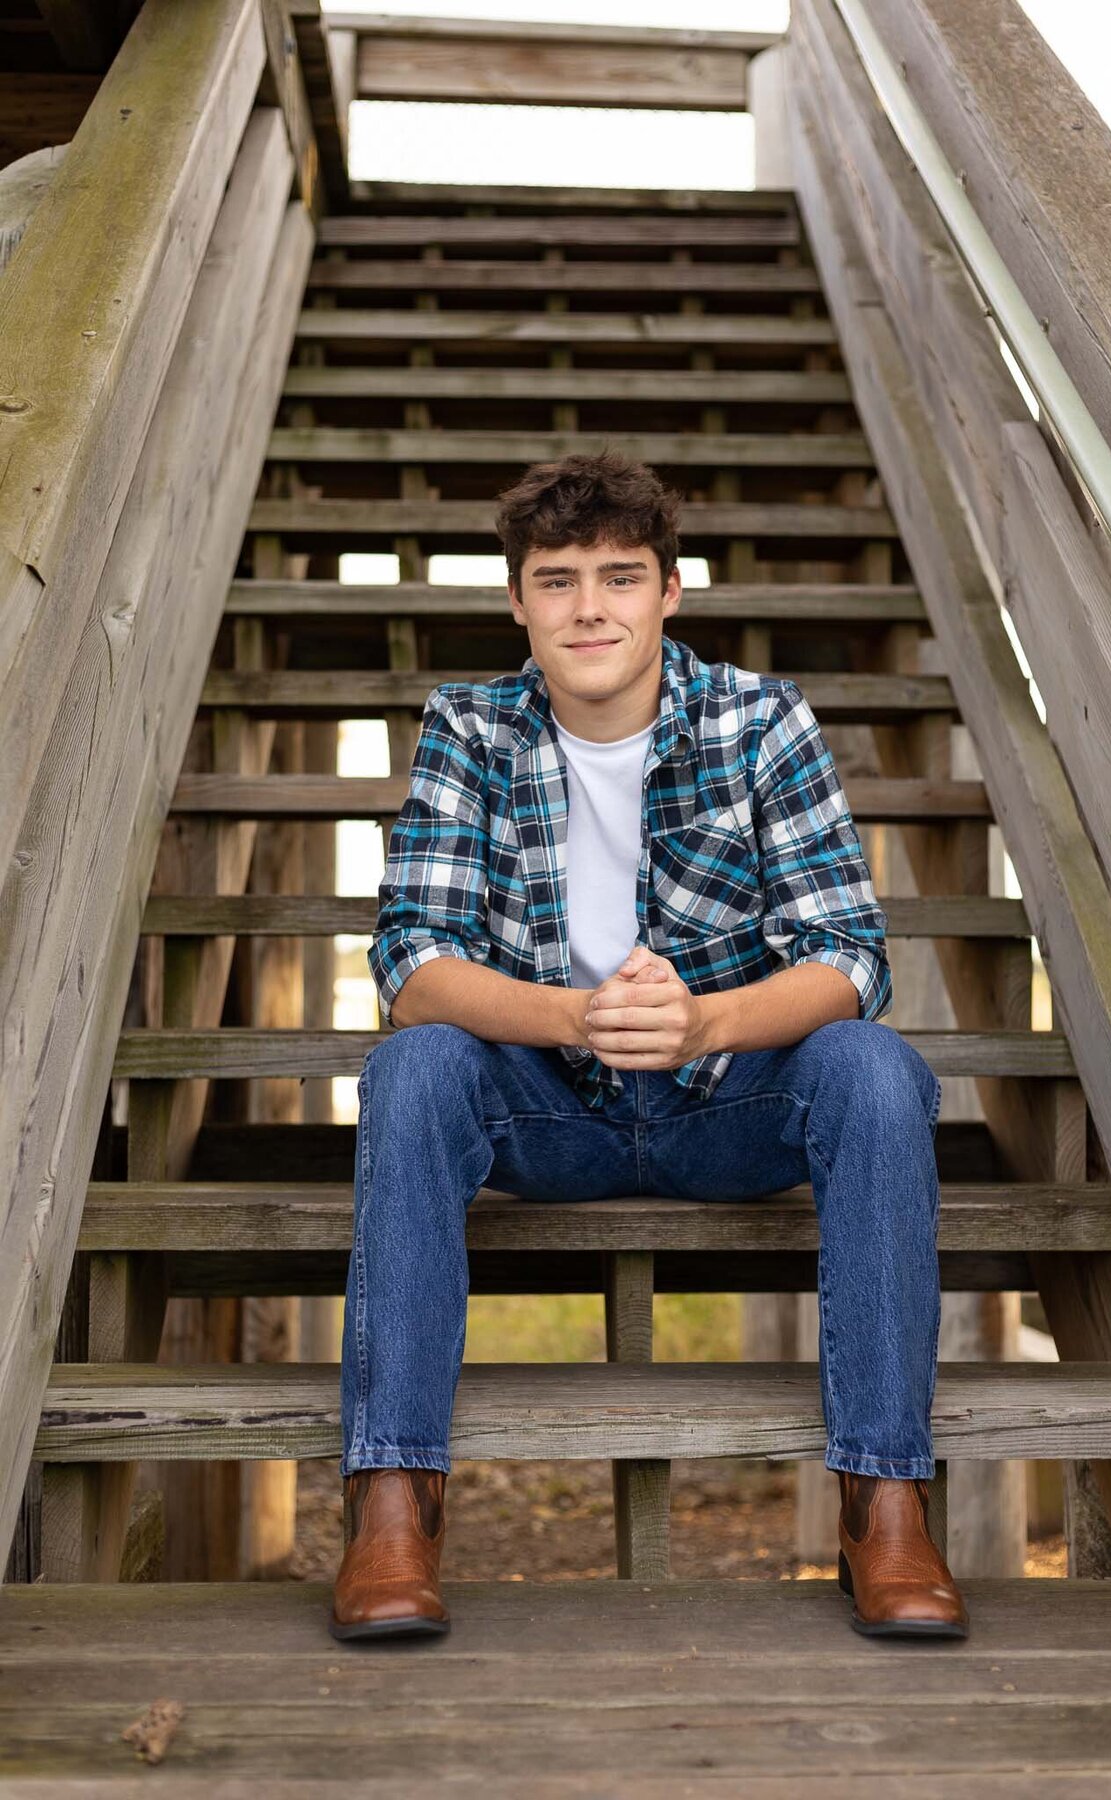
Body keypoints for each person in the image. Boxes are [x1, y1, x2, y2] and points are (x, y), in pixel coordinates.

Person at [330, 449, 968, 1643]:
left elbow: (849, 957)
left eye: (620, 577)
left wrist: (707, 1023)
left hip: (724, 1106)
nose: (589, 608)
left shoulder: (760, 719)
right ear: (517, 601)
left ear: (671, 591)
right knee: (412, 1069)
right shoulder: (468, 724)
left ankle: (887, 1504)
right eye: (557, 580)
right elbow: (412, 965)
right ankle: (392, 1510)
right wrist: (575, 1017)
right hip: (549, 1112)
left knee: (877, 1069)